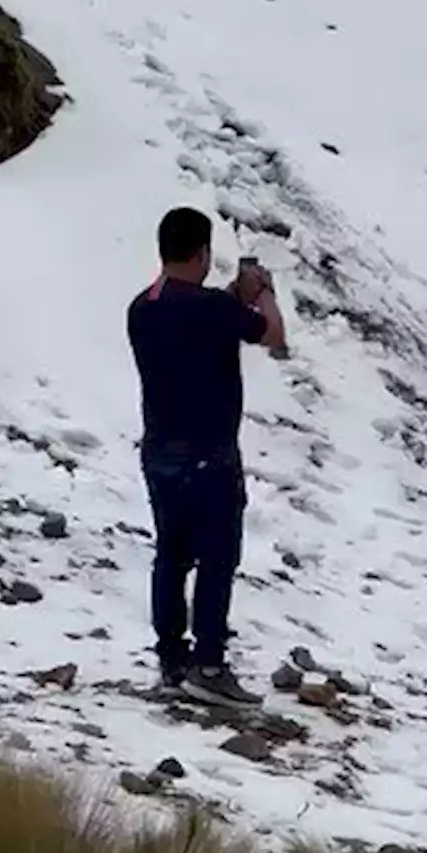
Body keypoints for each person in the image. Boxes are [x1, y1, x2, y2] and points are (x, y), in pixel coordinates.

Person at [127, 206, 286, 705]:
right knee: (217, 559)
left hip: (159, 451)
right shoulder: (213, 311)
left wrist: (233, 296)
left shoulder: (142, 307)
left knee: (171, 555)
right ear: (202, 253)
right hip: (210, 455)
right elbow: (271, 333)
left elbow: (197, 311)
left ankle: (172, 659)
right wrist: (262, 293)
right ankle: (210, 664)